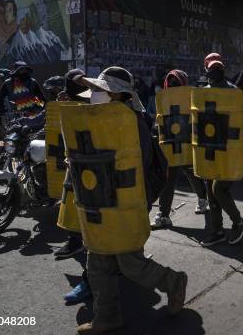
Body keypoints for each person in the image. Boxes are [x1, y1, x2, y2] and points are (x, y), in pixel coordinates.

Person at [72, 66, 188, 335]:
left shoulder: (132, 122)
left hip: (126, 199)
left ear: (117, 94)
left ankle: (174, 282)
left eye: (101, 90)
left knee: (130, 262)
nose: (95, 95)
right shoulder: (100, 117)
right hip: (100, 198)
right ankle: (107, 317)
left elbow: (138, 166)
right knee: (98, 262)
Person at [52, 69, 92, 304]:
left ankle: (93, 270)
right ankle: (75, 241)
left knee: (90, 213)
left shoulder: (94, 103)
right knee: (71, 205)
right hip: (73, 164)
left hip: (93, 169)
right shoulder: (65, 105)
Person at [199, 53, 243, 247]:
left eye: (217, 68)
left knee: (219, 189)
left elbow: (239, 123)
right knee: (211, 194)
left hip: (228, 150)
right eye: (211, 68)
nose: (214, 71)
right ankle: (217, 230)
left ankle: (238, 221)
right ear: (206, 70)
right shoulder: (203, 93)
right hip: (210, 148)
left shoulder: (234, 91)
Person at [152, 69, 209, 229]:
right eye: (171, 82)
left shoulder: (189, 95)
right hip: (173, 144)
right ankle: (163, 214)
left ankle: (202, 200)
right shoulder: (169, 97)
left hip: (183, 143)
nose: (173, 85)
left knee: (189, 174)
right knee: (171, 179)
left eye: (175, 81)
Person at [0, 60, 46, 130]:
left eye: (25, 69)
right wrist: (2, 110)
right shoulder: (8, 83)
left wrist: (44, 108)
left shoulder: (33, 82)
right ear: (16, 71)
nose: (23, 71)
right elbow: (0, 97)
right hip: (14, 114)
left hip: (32, 113)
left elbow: (40, 97)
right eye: (21, 69)